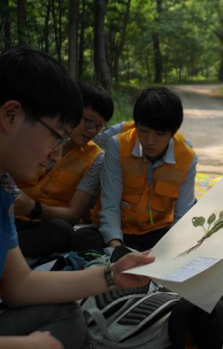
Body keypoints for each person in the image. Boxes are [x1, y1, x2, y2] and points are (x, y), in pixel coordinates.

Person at [0, 47, 154, 349]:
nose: (56, 155)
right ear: (11, 115)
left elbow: (20, 284)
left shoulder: (0, 186)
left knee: (66, 318)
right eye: (56, 137)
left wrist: (111, 275)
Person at [80, 87, 197, 257]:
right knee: (83, 238)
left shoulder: (187, 158)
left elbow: (182, 217)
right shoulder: (118, 146)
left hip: (157, 233)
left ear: (173, 132)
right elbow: (110, 205)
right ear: (136, 125)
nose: (149, 141)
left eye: (159, 133)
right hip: (116, 232)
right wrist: (116, 248)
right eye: (143, 131)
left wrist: (169, 252)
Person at [13, 83, 114, 258]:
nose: (92, 130)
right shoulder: (39, 134)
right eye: (88, 121)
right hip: (7, 212)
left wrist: (32, 208)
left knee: (62, 231)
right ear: (72, 110)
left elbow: (74, 214)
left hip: (42, 223)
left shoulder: (96, 158)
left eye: (99, 126)